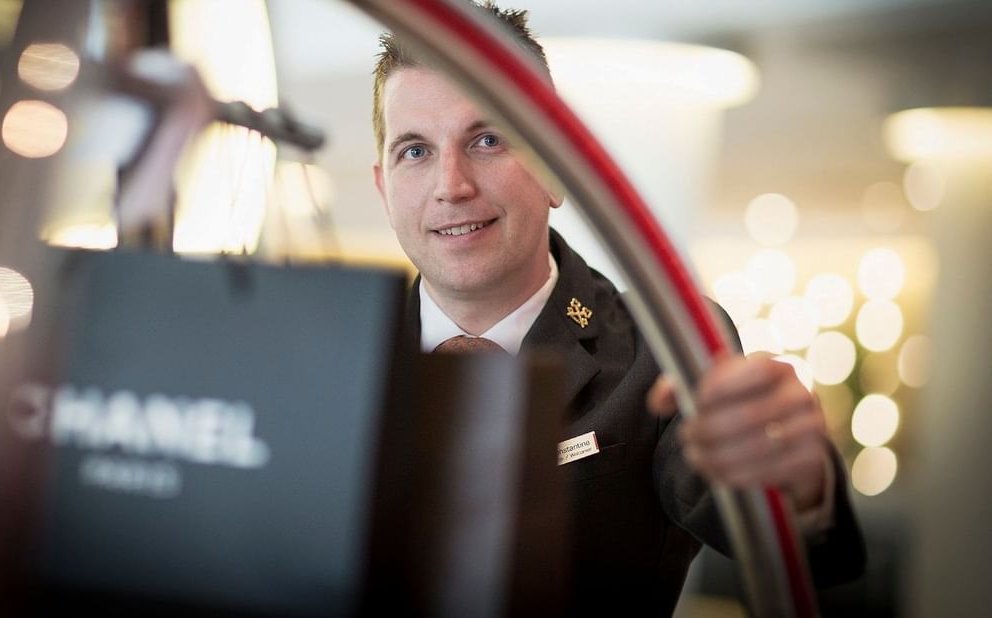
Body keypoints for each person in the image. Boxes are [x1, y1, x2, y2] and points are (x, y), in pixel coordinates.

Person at [370, 2, 865, 614]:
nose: (451, 184)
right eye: (414, 151)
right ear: (383, 188)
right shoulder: (335, 355)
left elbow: (788, 543)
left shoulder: (666, 344)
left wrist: (799, 486)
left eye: (489, 138)